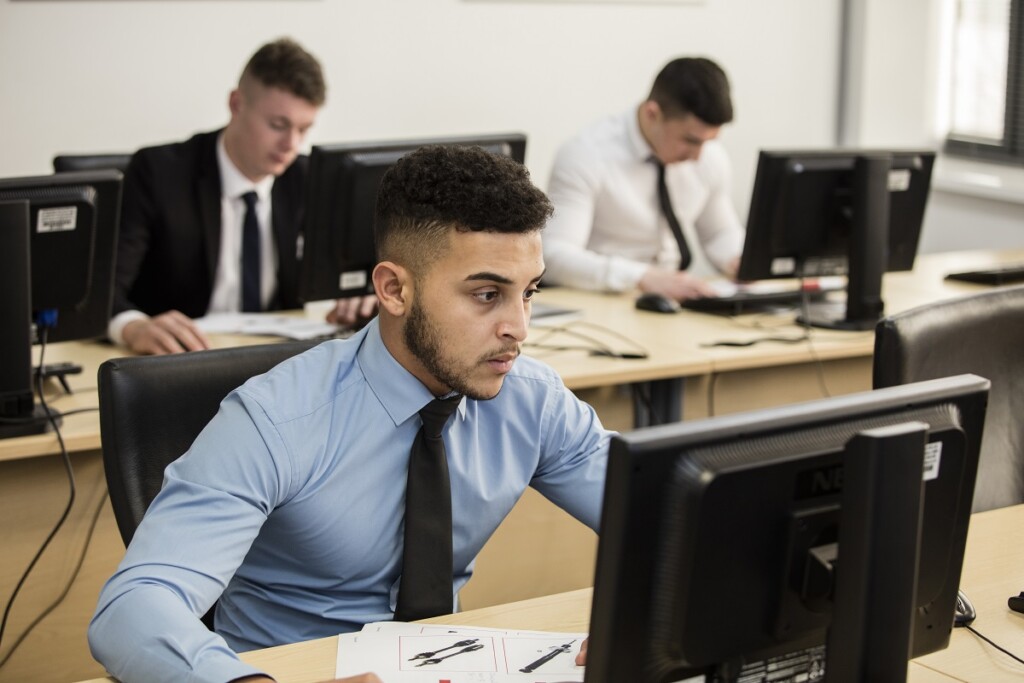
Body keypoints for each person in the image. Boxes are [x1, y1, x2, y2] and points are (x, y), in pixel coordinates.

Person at [88, 144, 610, 683]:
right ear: (393, 289)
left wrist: (654, 615)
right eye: (486, 294)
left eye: (529, 292)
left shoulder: (531, 399)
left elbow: (663, 509)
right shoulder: (275, 418)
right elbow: (133, 607)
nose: (519, 328)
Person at [110, 37, 376, 355]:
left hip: (276, 361)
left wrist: (365, 291)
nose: (291, 144)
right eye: (278, 125)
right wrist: (133, 326)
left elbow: (359, 264)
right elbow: (104, 288)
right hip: (184, 359)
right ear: (236, 105)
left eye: (304, 129)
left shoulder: (307, 179)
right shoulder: (159, 172)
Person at [543, 56, 745, 301]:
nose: (698, 155)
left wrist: (739, 259)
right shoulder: (585, 155)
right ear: (652, 114)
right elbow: (553, 256)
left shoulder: (710, 157)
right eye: (691, 140)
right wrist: (641, 277)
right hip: (604, 300)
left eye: (708, 141)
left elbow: (718, 233)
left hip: (671, 304)